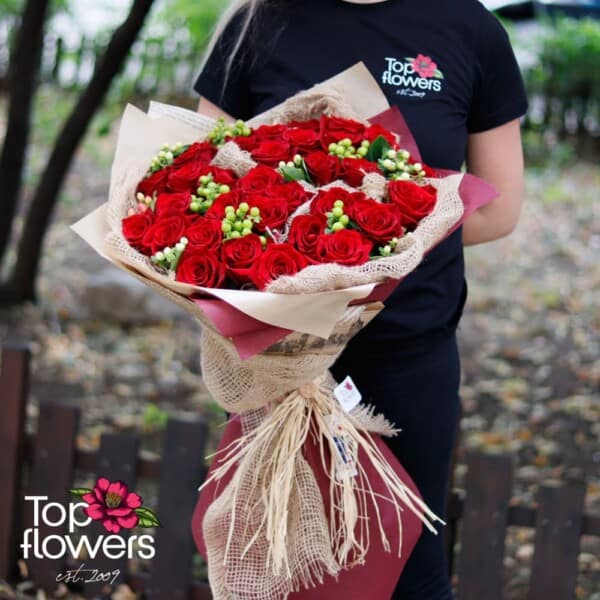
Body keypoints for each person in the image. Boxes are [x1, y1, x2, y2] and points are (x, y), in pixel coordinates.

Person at [193, 0, 528, 598]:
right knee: (275, 564)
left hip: (409, 352)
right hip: (281, 358)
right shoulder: (256, 21)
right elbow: (202, 182)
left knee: (407, 570)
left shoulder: (469, 28)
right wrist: (301, 262)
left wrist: (377, 246)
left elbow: (500, 206)